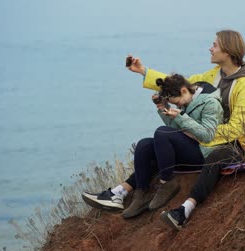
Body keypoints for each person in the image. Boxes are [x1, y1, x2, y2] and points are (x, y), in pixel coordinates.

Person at [127, 29, 245, 230]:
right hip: (205, 137)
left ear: (227, 50)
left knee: (207, 155)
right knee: (150, 143)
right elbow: (181, 85)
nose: (210, 48)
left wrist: (200, 133)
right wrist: (144, 71)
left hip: (235, 144)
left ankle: (184, 208)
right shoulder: (214, 75)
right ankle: (134, 192)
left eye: (215, 45)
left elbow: (241, 126)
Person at [82, 74, 223, 218]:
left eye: (177, 102)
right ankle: (141, 193)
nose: (178, 105)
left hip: (203, 153)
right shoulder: (187, 100)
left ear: (184, 90)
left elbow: (208, 135)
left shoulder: (210, 103)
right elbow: (175, 128)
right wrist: (163, 108)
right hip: (188, 146)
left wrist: (181, 116)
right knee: (144, 145)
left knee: (161, 133)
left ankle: (167, 183)